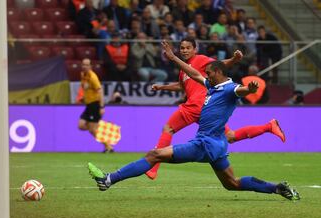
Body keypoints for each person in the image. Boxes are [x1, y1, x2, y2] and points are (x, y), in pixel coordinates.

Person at [88, 44, 300, 201]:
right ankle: (277, 188)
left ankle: (108, 180)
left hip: (204, 144)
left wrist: (250, 89)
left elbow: (242, 90)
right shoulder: (212, 85)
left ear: (218, 72)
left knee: (154, 155)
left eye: (209, 72)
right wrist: (173, 58)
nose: (205, 76)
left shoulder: (229, 88)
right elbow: (192, 73)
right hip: (216, 145)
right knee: (232, 184)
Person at [145, 37, 285, 180]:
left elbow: (219, 65)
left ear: (195, 49)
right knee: (230, 136)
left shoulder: (199, 60)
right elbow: (182, 86)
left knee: (168, 129)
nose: (185, 50)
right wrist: (162, 87)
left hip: (196, 105)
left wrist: (234, 59)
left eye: (188, 48)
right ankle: (269, 126)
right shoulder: (183, 71)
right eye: (182, 48)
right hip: (207, 108)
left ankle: (153, 168)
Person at [78, 58, 114, 153]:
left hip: (95, 104)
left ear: (90, 66)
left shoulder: (93, 77)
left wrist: (101, 106)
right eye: (83, 64)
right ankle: (107, 145)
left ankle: (108, 147)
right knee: (81, 126)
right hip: (88, 105)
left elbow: (100, 90)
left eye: (87, 65)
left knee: (92, 129)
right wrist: (83, 98)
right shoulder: (83, 75)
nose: (85, 66)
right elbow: (86, 89)